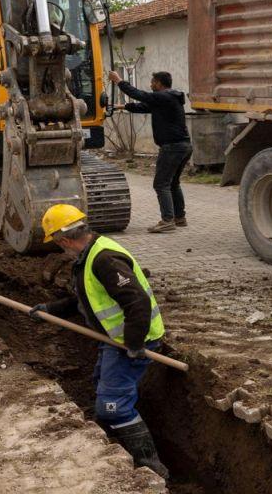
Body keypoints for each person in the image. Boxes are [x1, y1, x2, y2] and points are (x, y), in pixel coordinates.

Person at [28, 204, 170, 479]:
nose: (60, 249)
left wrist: (134, 344)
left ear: (64, 239)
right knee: (102, 389)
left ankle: (153, 470)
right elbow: (88, 301)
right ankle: (109, 440)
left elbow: (137, 302)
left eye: (58, 244)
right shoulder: (90, 255)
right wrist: (51, 310)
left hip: (136, 340)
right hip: (115, 339)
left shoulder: (103, 259)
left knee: (113, 406)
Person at [108, 70, 192, 233]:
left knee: (161, 184)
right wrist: (123, 106)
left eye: (153, 82)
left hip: (172, 147)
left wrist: (119, 81)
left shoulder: (163, 97)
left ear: (160, 83)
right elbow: (144, 107)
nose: (151, 85)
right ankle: (179, 217)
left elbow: (140, 95)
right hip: (184, 146)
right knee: (172, 183)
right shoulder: (169, 98)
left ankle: (167, 221)